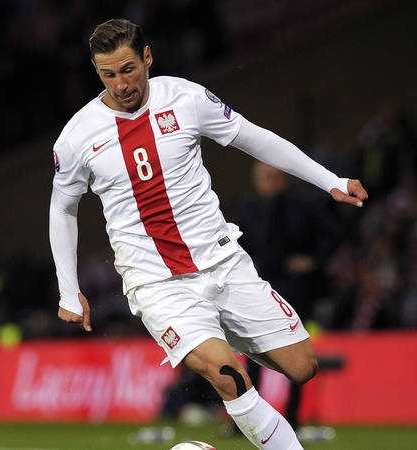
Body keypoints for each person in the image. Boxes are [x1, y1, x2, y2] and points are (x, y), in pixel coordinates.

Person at [49, 18, 367, 450]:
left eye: (128, 69)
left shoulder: (185, 97)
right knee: (227, 374)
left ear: (147, 57)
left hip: (223, 262)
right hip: (156, 282)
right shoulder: (77, 137)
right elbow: (62, 208)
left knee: (303, 366)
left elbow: (256, 140)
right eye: (108, 74)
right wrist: (69, 290)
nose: (121, 84)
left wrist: (329, 179)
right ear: (96, 71)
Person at [231, 161, 345, 440]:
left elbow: (337, 233)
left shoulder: (304, 205)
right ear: (256, 180)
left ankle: (292, 417)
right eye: (265, 177)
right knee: (252, 352)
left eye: (276, 177)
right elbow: (232, 240)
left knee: (296, 352)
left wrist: (314, 262)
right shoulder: (248, 207)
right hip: (257, 285)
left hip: (294, 287)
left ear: (284, 179)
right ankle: (247, 422)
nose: (271, 183)